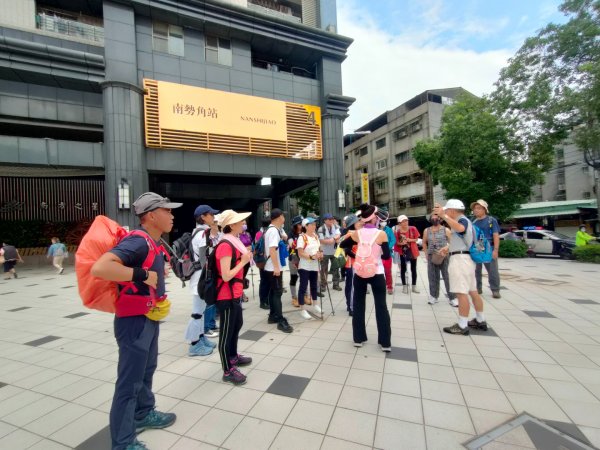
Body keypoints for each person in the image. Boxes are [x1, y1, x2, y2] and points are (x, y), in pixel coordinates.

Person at [91, 192, 180, 450]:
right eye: (167, 211)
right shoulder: (139, 241)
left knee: (146, 371)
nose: (172, 215)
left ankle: (143, 413)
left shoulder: (153, 242)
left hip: (147, 318)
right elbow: (100, 267)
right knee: (128, 383)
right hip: (133, 323)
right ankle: (123, 442)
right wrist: (142, 274)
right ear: (151, 215)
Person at [340, 204, 392, 352]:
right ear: (375, 218)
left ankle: (358, 338)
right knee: (381, 306)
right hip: (377, 272)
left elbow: (343, 244)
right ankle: (385, 342)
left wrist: (356, 254)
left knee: (358, 305)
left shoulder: (357, 233)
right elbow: (387, 256)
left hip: (360, 272)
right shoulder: (381, 234)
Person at [433, 199, 488, 336]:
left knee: (461, 292)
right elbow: (462, 238)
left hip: (460, 260)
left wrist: (443, 216)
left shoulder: (462, 220)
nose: (445, 213)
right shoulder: (465, 221)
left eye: (446, 211)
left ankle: (462, 325)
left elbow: (460, 229)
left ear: (451, 210)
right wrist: (447, 248)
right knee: (472, 291)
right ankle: (480, 320)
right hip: (466, 259)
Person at [215, 209, 254, 385]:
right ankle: (227, 370)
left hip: (234, 293)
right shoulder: (225, 245)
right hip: (226, 295)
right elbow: (225, 275)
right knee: (226, 333)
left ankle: (233, 356)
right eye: (239, 222)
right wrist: (244, 261)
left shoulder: (234, 242)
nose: (243, 224)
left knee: (236, 325)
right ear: (231, 226)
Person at [185, 204, 219, 357]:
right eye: (211, 214)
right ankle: (194, 344)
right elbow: (206, 258)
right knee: (197, 313)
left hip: (200, 278)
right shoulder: (202, 234)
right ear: (203, 217)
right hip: (200, 279)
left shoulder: (199, 232)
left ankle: (200, 338)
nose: (213, 217)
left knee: (201, 311)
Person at [264, 209, 293, 333]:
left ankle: (273, 315)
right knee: (277, 293)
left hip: (270, 267)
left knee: (273, 292)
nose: (284, 218)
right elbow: (272, 250)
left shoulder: (273, 230)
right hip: (273, 267)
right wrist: (276, 267)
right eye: (283, 216)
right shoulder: (273, 231)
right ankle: (280, 320)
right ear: (278, 217)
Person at [422, 213, 456, 306]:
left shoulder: (446, 230)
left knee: (447, 276)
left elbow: (452, 242)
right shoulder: (427, 230)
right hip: (431, 256)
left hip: (444, 256)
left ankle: (452, 297)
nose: (434, 218)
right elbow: (424, 242)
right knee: (432, 276)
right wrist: (425, 252)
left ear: (440, 219)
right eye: (432, 217)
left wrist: (447, 248)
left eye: (436, 216)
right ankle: (434, 296)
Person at [471, 199, 502, 299]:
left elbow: (496, 235)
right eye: (475, 208)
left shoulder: (491, 220)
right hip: (478, 245)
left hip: (489, 246)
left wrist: (496, 250)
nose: (476, 210)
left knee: (492, 270)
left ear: (484, 209)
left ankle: (495, 289)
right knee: (476, 270)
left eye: (478, 208)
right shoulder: (473, 221)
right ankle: (478, 288)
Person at [296, 217, 323, 320]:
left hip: (314, 266)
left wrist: (321, 254)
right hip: (304, 266)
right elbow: (300, 253)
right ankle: (302, 309)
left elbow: (319, 249)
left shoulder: (316, 237)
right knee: (303, 287)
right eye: (311, 224)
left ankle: (315, 304)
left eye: (315, 224)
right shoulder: (302, 237)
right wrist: (311, 257)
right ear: (306, 226)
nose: (314, 226)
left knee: (314, 286)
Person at [203, 217, 222, 338]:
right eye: (214, 223)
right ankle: (207, 327)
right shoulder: (205, 237)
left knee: (214, 299)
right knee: (209, 300)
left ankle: (212, 323)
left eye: (217, 223)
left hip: (216, 271)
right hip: (208, 272)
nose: (216, 225)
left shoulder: (219, 236)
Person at [393, 215, 420, 294]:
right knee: (403, 269)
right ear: (399, 223)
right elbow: (397, 242)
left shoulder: (413, 228)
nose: (405, 223)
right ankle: (404, 286)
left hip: (412, 251)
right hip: (403, 252)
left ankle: (414, 286)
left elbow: (417, 239)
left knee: (413, 269)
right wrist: (401, 243)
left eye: (406, 220)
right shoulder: (397, 232)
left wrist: (409, 240)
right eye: (403, 221)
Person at [341, 214, 362, 316]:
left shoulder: (359, 233)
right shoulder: (350, 234)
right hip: (351, 264)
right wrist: (357, 257)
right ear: (353, 224)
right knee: (351, 286)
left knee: (354, 285)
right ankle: (351, 306)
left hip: (358, 264)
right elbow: (347, 250)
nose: (360, 223)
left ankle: (351, 304)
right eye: (358, 222)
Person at [318, 213, 342, 292]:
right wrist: (333, 240)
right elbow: (322, 241)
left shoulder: (335, 226)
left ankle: (336, 284)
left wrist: (333, 239)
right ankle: (323, 285)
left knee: (336, 268)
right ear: (325, 220)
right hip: (324, 252)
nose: (331, 220)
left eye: (332, 219)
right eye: (329, 219)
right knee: (324, 269)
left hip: (334, 251)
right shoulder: (321, 229)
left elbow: (339, 234)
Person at [288, 215, 303, 307]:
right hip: (294, 258)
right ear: (296, 225)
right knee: (294, 277)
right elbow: (291, 244)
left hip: (303, 258)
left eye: (302, 224)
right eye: (300, 224)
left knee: (304, 277)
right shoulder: (291, 233)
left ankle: (304, 295)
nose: (301, 225)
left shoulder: (305, 232)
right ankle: (294, 297)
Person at [256, 218, 271, 310]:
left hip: (262, 260)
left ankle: (265, 300)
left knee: (265, 281)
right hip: (264, 260)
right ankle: (263, 301)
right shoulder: (266, 233)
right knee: (265, 281)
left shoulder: (258, 233)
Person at [379, 219, 396, 294]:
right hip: (377, 254)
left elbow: (393, 240)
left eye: (385, 220)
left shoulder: (389, 230)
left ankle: (389, 287)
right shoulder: (375, 229)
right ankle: (380, 286)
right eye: (382, 220)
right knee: (379, 272)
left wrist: (387, 247)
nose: (383, 222)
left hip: (387, 253)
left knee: (388, 271)